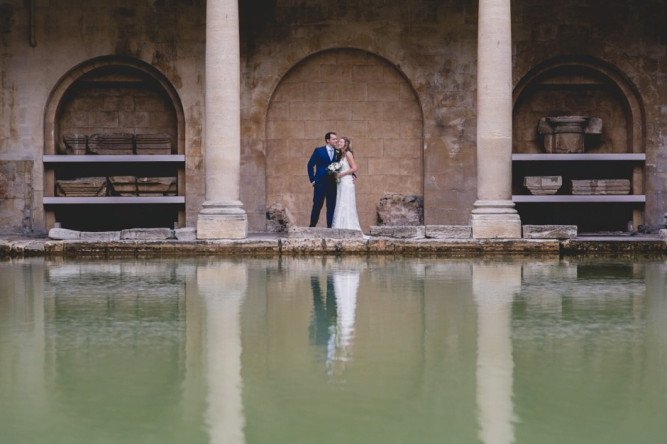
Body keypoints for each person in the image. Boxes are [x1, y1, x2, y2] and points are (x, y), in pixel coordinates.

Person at [307, 132, 340, 228]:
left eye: (336, 139)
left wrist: (352, 174)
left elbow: (343, 164)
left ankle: (330, 228)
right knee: (317, 206)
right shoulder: (319, 151)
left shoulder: (338, 152)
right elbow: (310, 165)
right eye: (334, 139)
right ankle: (312, 227)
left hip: (332, 184)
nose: (336, 141)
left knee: (331, 207)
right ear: (328, 140)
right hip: (320, 184)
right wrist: (313, 180)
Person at [331, 136, 362, 231]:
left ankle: (349, 227)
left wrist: (342, 174)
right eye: (338, 142)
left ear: (346, 144)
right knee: (341, 202)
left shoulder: (348, 154)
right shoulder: (341, 155)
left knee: (347, 203)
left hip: (347, 182)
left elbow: (355, 168)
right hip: (341, 182)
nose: (339, 143)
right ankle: (340, 226)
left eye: (341, 142)